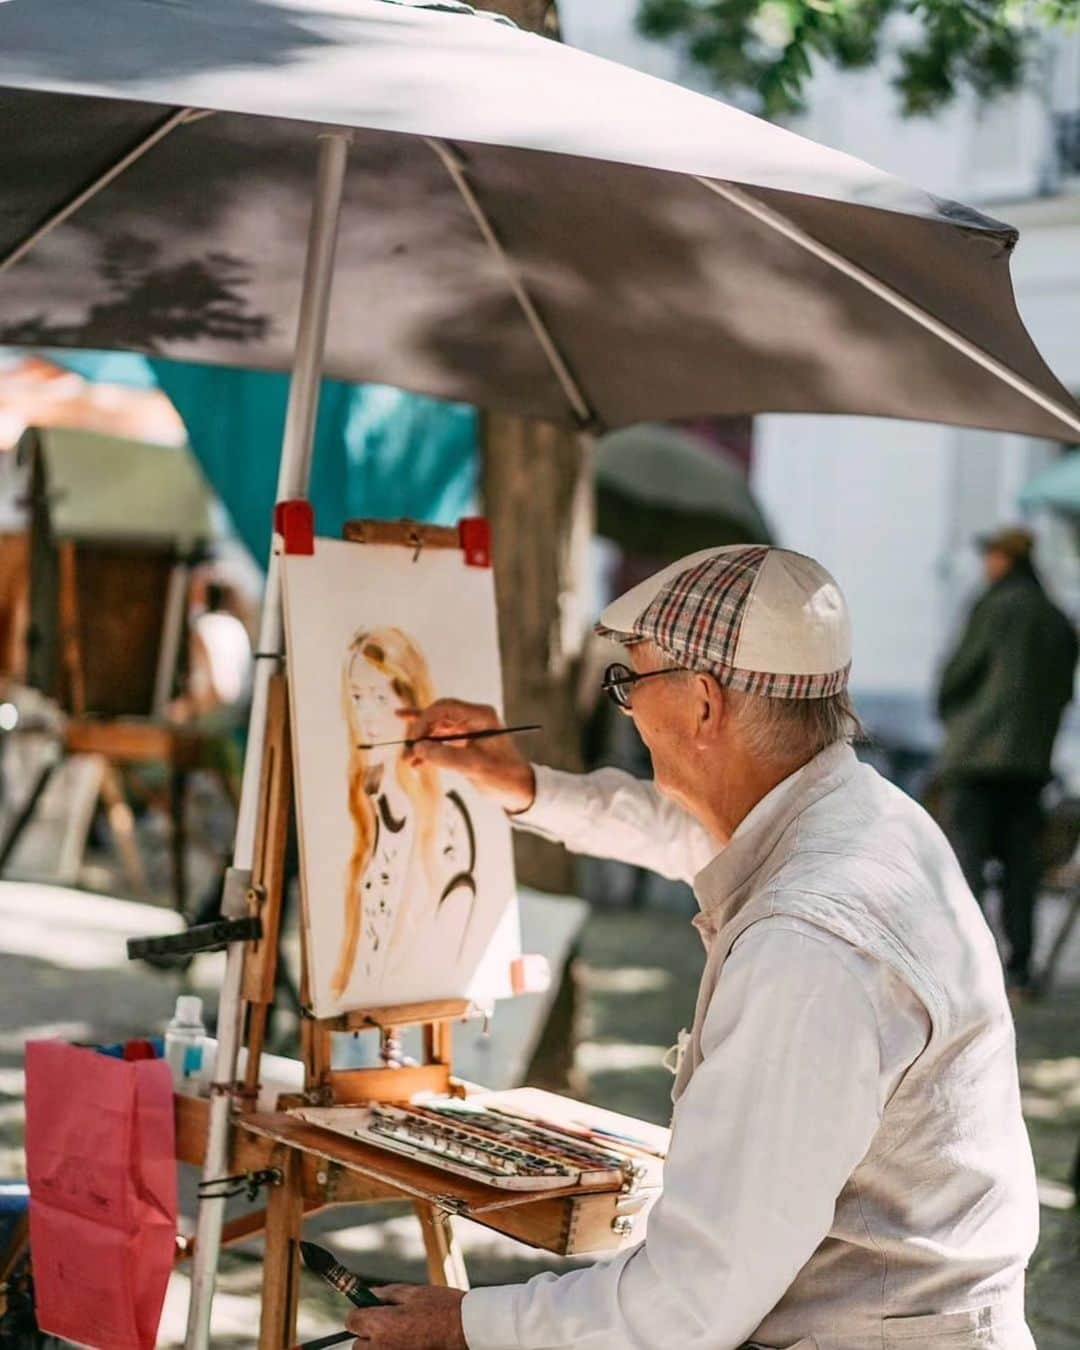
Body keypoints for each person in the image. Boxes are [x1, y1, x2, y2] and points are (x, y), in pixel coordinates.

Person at [345, 544, 1039, 1350]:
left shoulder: (806, 947)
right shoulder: (862, 817)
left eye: (628, 684)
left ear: (704, 706)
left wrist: (469, 1326)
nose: (628, 710)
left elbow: (688, 1303)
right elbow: (696, 837)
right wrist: (529, 787)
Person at [937, 525, 1078, 994]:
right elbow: (1062, 690)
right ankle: (1019, 968)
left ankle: (970, 965)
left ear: (1005, 560)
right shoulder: (1056, 618)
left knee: (969, 864)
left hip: (978, 759)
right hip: (1030, 765)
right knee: (1022, 870)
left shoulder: (993, 608)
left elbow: (959, 672)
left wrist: (951, 712)